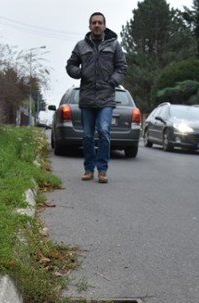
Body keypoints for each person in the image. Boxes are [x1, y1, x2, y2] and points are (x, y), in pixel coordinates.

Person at [66, 12, 127, 184]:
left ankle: (102, 170)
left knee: (103, 131)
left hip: (106, 98)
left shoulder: (114, 45)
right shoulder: (81, 46)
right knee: (86, 136)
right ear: (90, 26)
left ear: (105, 26)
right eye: (94, 22)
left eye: (100, 22)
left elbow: (122, 67)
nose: (97, 25)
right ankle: (88, 168)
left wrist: (113, 81)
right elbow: (70, 65)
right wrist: (79, 73)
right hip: (86, 98)